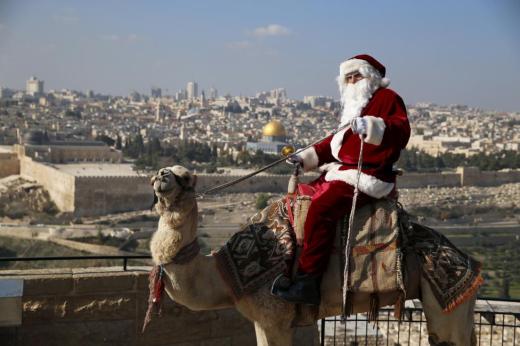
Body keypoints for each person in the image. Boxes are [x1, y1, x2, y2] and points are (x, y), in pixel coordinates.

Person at [273, 54, 410, 305]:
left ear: (371, 77)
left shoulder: (388, 99)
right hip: (343, 171)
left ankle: (308, 282)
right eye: (348, 77)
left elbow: (401, 131)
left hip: (369, 176)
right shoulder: (354, 105)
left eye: (357, 75)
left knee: (321, 208)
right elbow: (335, 144)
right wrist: (304, 157)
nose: (352, 81)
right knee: (301, 197)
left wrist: (371, 126)